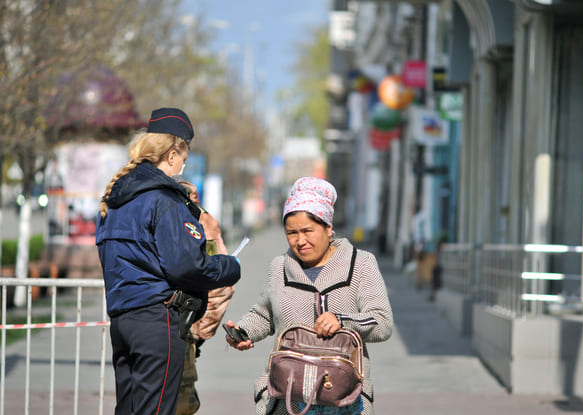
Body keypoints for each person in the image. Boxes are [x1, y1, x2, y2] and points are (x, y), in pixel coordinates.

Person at [96, 107, 241, 415]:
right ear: (173, 153)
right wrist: (229, 267)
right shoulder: (165, 199)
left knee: (130, 408)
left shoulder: (116, 199)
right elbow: (185, 266)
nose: (182, 166)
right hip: (156, 322)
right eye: (183, 158)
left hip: (123, 320)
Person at [224, 177, 393, 415]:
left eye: (308, 231)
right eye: (291, 233)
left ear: (328, 227)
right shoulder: (279, 267)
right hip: (287, 399)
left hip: (345, 400)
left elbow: (382, 322)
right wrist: (243, 332)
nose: (300, 241)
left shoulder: (360, 264)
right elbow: (264, 314)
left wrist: (342, 321)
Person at [174, 178, 235, 415]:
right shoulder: (201, 221)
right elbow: (220, 286)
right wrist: (197, 333)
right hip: (181, 334)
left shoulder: (138, 212)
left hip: (138, 333)